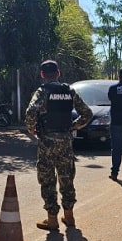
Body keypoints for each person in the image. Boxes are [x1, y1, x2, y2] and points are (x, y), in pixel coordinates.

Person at [25, 60, 93, 231]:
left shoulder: (43, 91)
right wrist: (73, 126)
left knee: (47, 179)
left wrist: (32, 128)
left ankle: (52, 219)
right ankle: (69, 216)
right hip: (66, 141)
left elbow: (30, 112)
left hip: (47, 140)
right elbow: (87, 113)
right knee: (66, 177)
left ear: (42, 75)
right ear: (58, 73)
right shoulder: (69, 91)